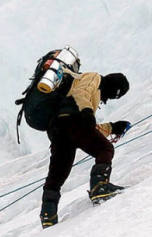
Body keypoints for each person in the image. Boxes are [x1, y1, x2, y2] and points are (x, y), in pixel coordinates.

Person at [40, 72, 131, 228]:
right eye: (115, 95)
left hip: (58, 128)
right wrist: (88, 112)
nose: (108, 100)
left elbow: (88, 129)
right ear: (112, 86)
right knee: (105, 149)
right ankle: (99, 187)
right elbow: (80, 93)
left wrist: (112, 127)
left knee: (58, 171)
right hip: (72, 122)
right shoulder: (94, 78)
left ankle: (48, 214)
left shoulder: (83, 99)